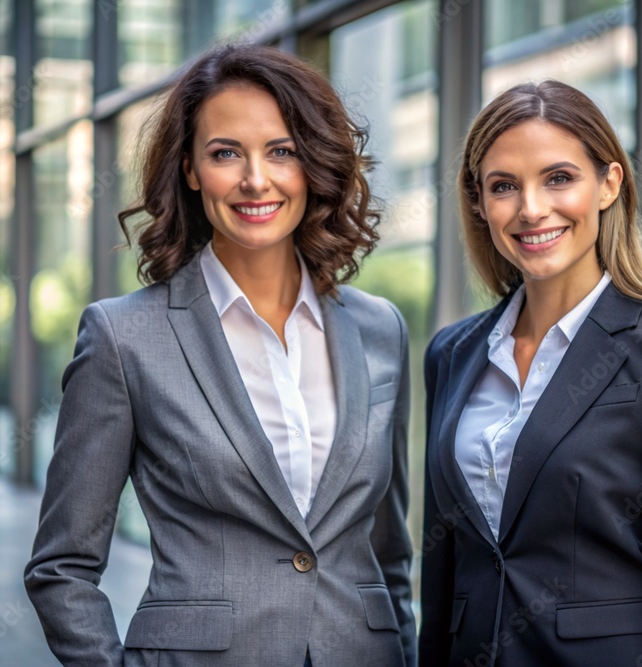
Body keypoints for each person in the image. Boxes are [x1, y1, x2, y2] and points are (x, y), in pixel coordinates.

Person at [24, 44, 416, 667]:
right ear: (189, 169)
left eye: (281, 151)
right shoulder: (124, 337)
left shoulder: (379, 329)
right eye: (225, 153)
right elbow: (62, 567)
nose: (255, 179)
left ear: (313, 165)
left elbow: (388, 552)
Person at [418, 80, 642, 667]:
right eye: (504, 186)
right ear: (478, 202)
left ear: (608, 185)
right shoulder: (451, 353)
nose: (531, 209)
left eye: (558, 178)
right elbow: (443, 572)